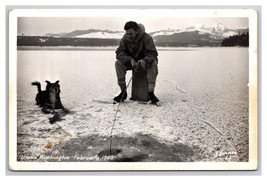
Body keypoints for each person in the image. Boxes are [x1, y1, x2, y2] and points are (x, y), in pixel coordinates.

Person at [114, 21, 159, 104]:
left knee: (153, 64)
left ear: (136, 31)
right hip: (131, 62)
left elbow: (153, 53)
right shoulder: (124, 39)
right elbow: (119, 53)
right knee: (118, 63)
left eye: (131, 34)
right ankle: (123, 92)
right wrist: (130, 60)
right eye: (127, 34)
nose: (128, 36)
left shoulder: (147, 38)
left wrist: (144, 61)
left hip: (145, 63)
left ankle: (151, 93)